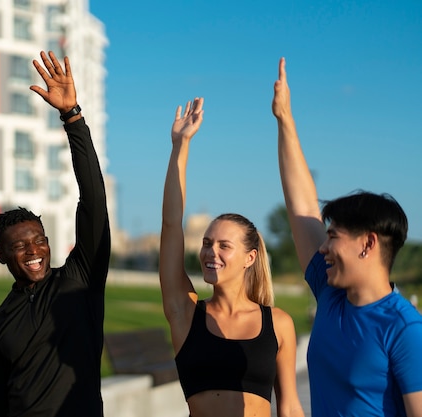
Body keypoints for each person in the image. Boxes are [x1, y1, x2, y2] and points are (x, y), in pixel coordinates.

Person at [273, 57, 422, 416]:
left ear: (368, 243)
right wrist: (285, 120)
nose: (322, 246)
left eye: (333, 236)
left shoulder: (404, 329)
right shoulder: (329, 293)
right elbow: (302, 208)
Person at [0, 51, 111, 417]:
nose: (33, 250)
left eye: (39, 240)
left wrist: (73, 118)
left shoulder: (80, 281)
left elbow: (93, 200)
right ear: (2, 255)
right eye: (19, 246)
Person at [160, 97, 305, 417]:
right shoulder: (185, 313)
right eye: (207, 243)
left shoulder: (278, 324)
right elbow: (172, 224)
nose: (212, 252)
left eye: (225, 245)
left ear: (250, 257)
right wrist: (180, 146)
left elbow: (291, 406)